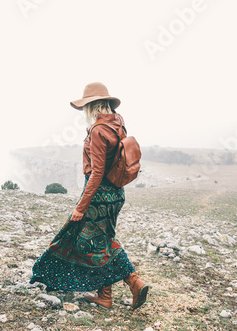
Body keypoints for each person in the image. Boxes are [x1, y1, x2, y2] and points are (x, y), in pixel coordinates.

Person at [29, 82, 149, 310]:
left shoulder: (98, 130)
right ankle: (105, 295)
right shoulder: (118, 124)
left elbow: (97, 173)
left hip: (98, 196)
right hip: (116, 194)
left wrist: (81, 207)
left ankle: (133, 281)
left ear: (91, 106)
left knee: (91, 241)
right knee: (104, 240)